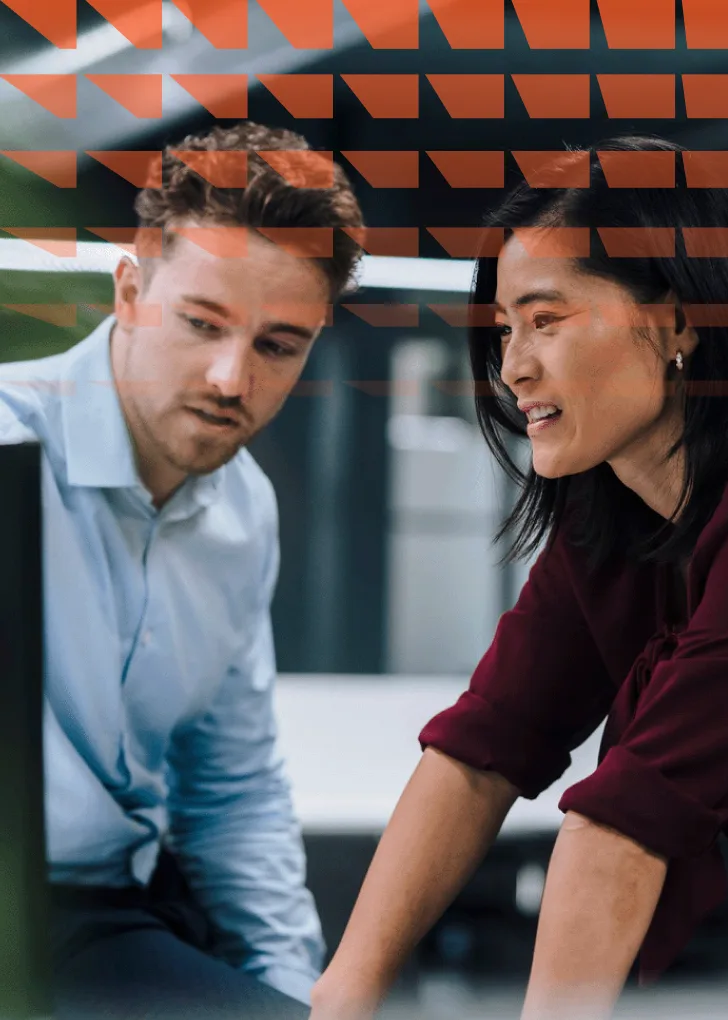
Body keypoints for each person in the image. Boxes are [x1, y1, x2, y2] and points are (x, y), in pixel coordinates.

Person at [310, 136, 728, 1020]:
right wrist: (337, 1003)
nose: (513, 367)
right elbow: (481, 752)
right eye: (505, 330)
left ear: (675, 321)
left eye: (546, 321)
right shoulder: (615, 519)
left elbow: (623, 825)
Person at [0, 120, 362, 1018]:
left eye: (278, 346)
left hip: (102, 923)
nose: (231, 378)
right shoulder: (7, 446)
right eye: (202, 324)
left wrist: (292, 995)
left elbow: (232, 790)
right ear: (130, 291)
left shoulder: (244, 514)